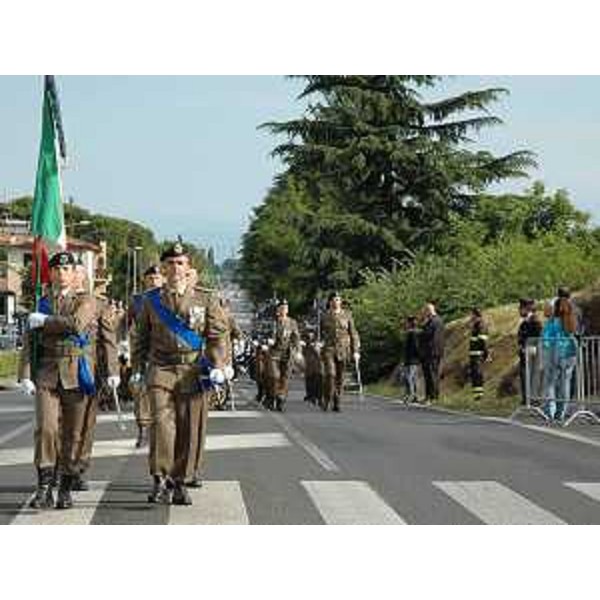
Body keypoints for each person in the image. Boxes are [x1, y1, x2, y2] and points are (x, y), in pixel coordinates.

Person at [131, 241, 224, 505]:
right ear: (163, 267)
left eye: (180, 263)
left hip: (193, 370)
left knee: (189, 428)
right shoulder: (150, 300)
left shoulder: (205, 298)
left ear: (188, 268)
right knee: (161, 425)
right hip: (161, 369)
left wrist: (218, 364)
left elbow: (216, 336)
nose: (175, 268)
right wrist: (137, 370)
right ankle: (160, 478)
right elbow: (141, 339)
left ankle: (180, 480)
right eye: (170, 263)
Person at [18, 251, 99, 510]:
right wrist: (25, 374)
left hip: (76, 373)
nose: (62, 274)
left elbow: (76, 324)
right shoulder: (42, 302)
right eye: (57, 270)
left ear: (75, 273)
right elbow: (30, 342)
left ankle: (64, 486)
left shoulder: (86, 300)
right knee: (47, 428)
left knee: (72, 434)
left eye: (67, 270)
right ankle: (43, 487)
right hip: (47, 373)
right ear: (51, 273)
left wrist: (46, 321)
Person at [73, 258, 120, 490]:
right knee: (59, 425)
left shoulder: (99, 304)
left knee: (83, 424)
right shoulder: (52, 302)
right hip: (58, 371)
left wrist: (112, 371)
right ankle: (60, 467)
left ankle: (79, 467)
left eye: (78, 272)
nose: (74, 276)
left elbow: (109, 340)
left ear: (84, 277)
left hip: (88, 371)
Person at [128, 264, 163, 448]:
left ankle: (160, 431)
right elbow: (126, 323)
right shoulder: (137, 301)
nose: (154, 281)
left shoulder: (169, 298)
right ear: (144, 280)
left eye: (157, 278)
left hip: (163, 355)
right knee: (140, 392)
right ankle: (143, 430)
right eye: (150, 278)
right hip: (142, 353)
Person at [319, 291, 360, 412]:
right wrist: (318, 343)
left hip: (343, 350)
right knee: (330, 374)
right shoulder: (324, 315)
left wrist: (355, 350)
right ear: (330, 302)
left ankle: (337, 400)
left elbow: (353, 334)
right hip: (329, 349)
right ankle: (327, 398)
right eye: (333, 300)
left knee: (340, 377)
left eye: (338, 299)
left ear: (340, 301)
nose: (336, 302)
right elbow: (319, 334)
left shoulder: (347, 315)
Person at [542, 298, 578, 422]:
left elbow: (545, 339)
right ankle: (562, 412)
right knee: (565, 384)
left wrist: (546, 348)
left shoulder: (553, 322)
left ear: (556, 309)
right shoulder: (572, 321)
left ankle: (551, 411)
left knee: (551, 384)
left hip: (556, 355)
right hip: (571, 355)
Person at [265, 299, 300, 412]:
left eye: (286, 308)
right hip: (274, 353)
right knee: (274, 377)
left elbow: (296, 338)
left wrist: (298, 350)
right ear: (278, 310)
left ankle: (280, 400)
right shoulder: (273, 322)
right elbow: (265, 334)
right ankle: (272, 397)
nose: (284, 310)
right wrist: (267, 342)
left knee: (285, 378)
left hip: (287, 353)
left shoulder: (292, 322)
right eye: (282, 308)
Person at [517, 298, 543, 405]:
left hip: (532, 353)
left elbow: (537, 336)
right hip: (525, 353)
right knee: (525, 375)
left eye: (520, 308)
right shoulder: (525, 322)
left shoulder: (534, 321)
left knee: (533, 374)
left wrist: (528, 347)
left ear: (526, 309)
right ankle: (527, 398)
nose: (519, 311)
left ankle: (533, 398)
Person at [419, 302, 444, 404]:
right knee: (430, 374)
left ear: (429, 311)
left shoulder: (433, 321)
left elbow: (427, 335)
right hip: (434, 351)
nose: (424, 314)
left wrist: (424, 326)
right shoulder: (438, 320)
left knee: (431, 374)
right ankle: (429, 396)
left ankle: (432, 397)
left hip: (431, 351)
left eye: (425, 311)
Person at [468, 308, 490, 402]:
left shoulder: (481, 325)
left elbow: (483, 342)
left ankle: (479, 396)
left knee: (478, 374)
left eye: (471, 315)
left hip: (478, 354)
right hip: (474, 354)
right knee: (475, 374)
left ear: (475, 315)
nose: (470, 317)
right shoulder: (476, 325)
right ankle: (476, 395)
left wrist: (486, 354)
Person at [402, 316, 420, 403]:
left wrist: (417, 357)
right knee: (412, 378)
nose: (405, 324)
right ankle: (414, 395)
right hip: (409, 359)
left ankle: (411, 395)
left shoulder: (413, 333)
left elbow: (416, 347)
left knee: (409, 377)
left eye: (407, 322)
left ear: (410, 323)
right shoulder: (410, 333)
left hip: (412, 359)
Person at [302, 329, 322, 405]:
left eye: (311, 336)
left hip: (317, 363)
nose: (310, 337)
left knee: (317, 378)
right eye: (309, 336)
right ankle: (310, 395)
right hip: (309, 363)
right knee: (309, 378)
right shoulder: (306, 345)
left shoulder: (317, 343)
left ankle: (318, 395)